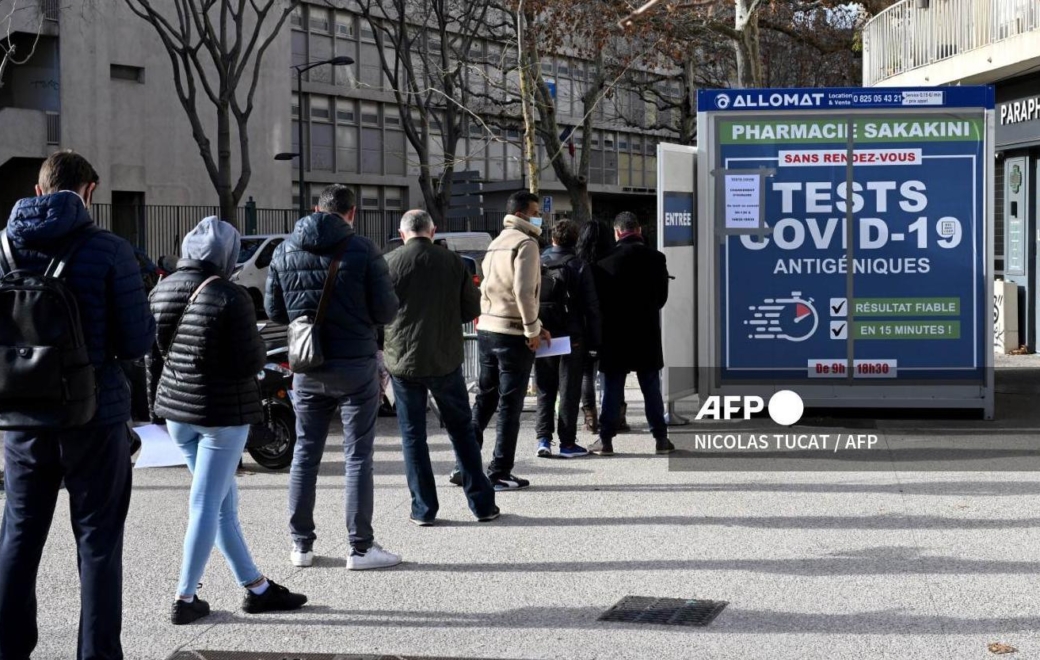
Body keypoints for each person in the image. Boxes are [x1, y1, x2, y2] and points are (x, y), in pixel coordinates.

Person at [0, 151, 156, 660]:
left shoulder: (2, 247)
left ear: (40, 190)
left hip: (21, 417)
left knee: (19, 539)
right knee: (97, 545)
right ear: (89, 190)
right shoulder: (110, 250)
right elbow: (136, 344)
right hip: (94, 414)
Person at [148, 218, 308, 625]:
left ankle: (257, 588)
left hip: (178, 413)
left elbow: (153, 354)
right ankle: (185, 598)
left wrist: (156, 407)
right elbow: (252, 360)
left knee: (221, 504)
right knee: (207, 504)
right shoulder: (231, 296)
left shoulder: (161, 289)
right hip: (221, 415)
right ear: (227, 255)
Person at [265, 184, 401, 570]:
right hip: (355, 362)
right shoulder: (363, 250)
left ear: (315, 209)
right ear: (352, 213)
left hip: (307, 364)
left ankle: (301, 546)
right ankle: (360, 547)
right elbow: (386, 310)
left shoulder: (284, 249)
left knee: (305, 453)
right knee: (358, 456)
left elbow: (275, 310)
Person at [384, 210, 499, 524]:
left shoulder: (388, 262)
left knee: (412, 436)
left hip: (403, 359)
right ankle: (482, 505)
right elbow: (470, 309)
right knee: (461, 431)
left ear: (402, 232)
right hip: (445, 357)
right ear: (432, 231)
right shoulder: (453, 262)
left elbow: (378, 311)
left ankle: (423, 509)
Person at [466, 190, 550, 491]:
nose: (540, 216)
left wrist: (536, 326)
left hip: (487, 327)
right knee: (510, 405)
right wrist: (532, 330)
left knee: (484, 399)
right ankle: (500, 470)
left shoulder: (496, 242)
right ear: (525, 214)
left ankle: (464, 464)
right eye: (537, 211)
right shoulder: (526, 244)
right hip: (513, 332)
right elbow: (524, 291)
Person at [590, 211, 674, 456]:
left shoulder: (604, 260)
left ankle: (605, 439)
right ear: (638, 230)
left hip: (614, 334)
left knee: (612, 387)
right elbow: (661, 298)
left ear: (617, 232)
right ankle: (660, 438)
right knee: (650, 386)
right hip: (646, 332)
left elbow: (599, 302)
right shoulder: (656, 258)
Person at [534, 220, 601, 458]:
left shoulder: (538, 262)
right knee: (569, 390)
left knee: (545, 388)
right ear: (575, 240)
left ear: (553, 239)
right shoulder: (579, 266)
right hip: (571, 336)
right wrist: (595, 343)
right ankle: (567, 443)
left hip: (542, 333)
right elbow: (591, 308)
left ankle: (543, 439)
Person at [575, 220, 628, 434]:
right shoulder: (614, 261)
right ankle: (618, 415)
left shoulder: (580, 263)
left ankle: (590, 417)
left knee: (587, 371)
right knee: (614, 371)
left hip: (586, 324)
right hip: (613, 323)